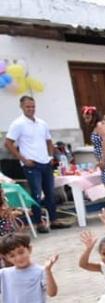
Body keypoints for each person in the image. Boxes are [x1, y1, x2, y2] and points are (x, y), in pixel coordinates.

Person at [4, 95, 62, 232]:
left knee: (50, 192)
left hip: (45, 163)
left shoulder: (42, 123)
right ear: (22, 107)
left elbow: (49, 140)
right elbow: (8, 143)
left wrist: (50, 156)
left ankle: (53, 220)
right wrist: (23, 159)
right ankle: (39, 222)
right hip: (31, 164)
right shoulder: (18, 124)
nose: (31, 109)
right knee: (36, 193)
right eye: (28, 107)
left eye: (33, 106)